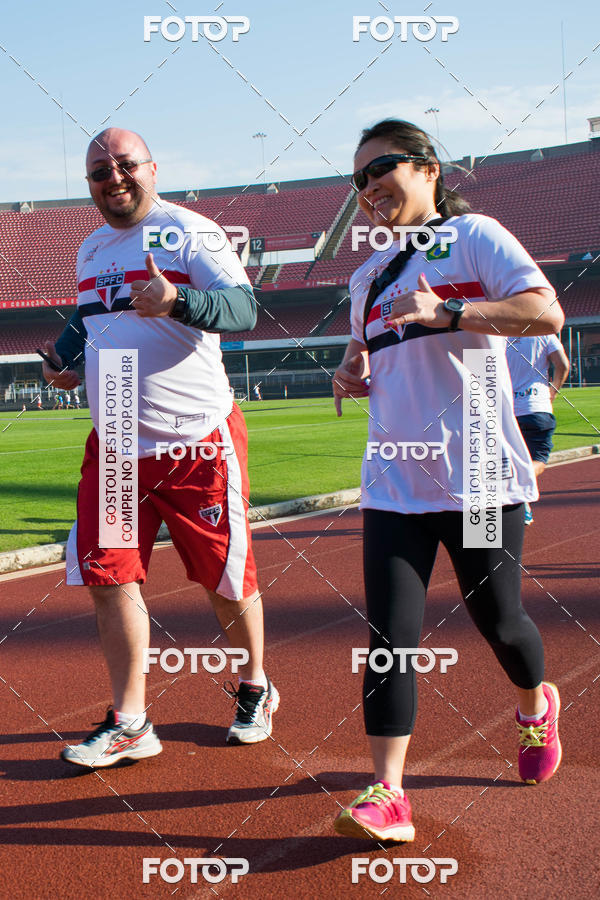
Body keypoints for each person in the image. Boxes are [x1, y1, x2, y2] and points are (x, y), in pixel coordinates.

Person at [332, 119, 564, 843]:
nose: (370, 188)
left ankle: (535, 708)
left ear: (428, 169)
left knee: (499, 622)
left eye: (384, 170)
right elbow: (366, 352)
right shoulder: (365, 276)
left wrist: (452, 310)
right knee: (390, 637)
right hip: (395, 484)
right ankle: (388, 792)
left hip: (482, 480)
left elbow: (544, 311)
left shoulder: (477, 237)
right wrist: (352, 370)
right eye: (359, 180)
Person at [41, 127, 278, 768]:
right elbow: (88, 319)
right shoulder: (91, 248)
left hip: (195, 435)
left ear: (152, 167)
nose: (112, 178)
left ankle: (255, 683)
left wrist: (179, 300)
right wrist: (65, 359)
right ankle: (131, 720)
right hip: (116, 435)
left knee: (224, 580)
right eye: (98, 172)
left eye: (124, 165)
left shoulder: (191, 232)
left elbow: (243, 309)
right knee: (110, 576)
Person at [506, 335, 570, 523]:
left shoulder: (499, 334)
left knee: (509, 460)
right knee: (538, 460)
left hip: (507, 410)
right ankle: (519, 489)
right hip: (536, 407)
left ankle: (517, 497)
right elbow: (563, 365)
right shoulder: (544, 335)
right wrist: (553, 392)